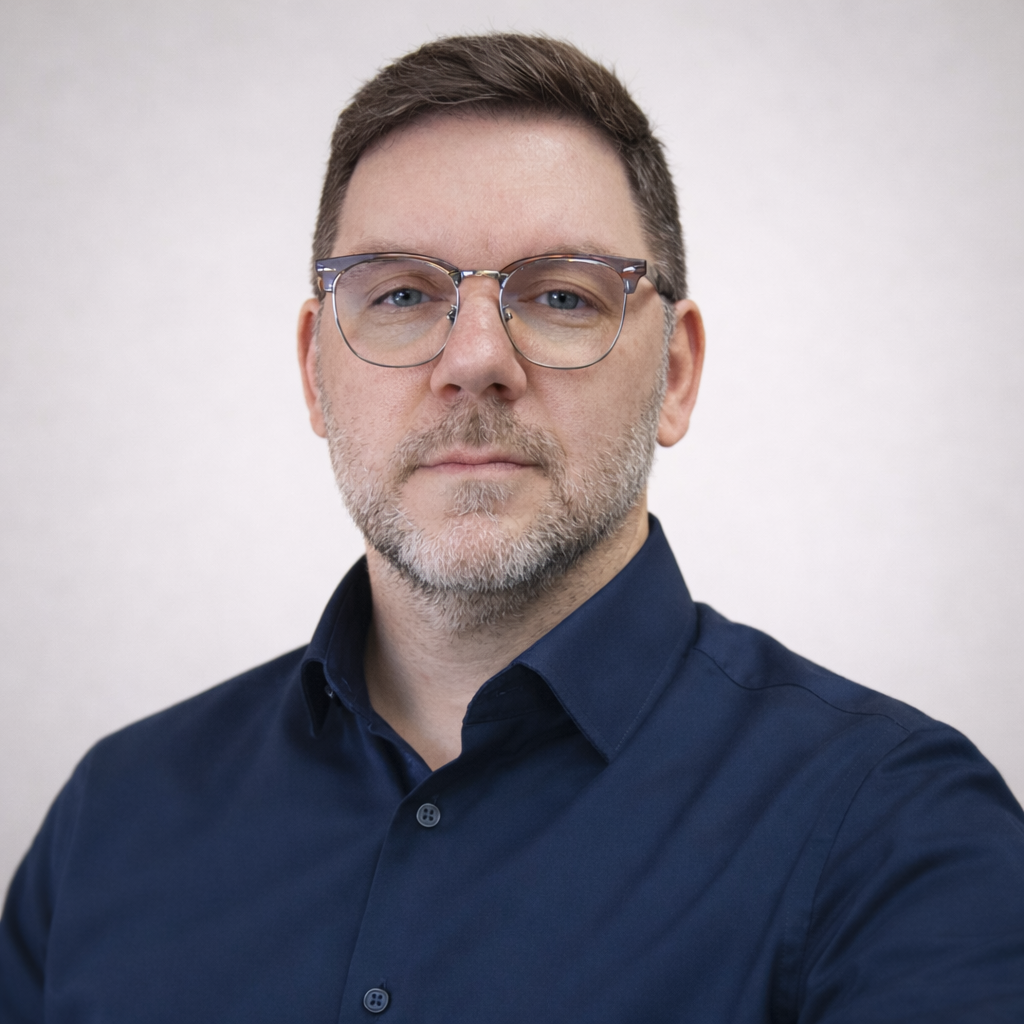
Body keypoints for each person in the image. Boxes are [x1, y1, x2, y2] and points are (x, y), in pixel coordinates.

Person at [2, 32, 1023, 1024]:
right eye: (402, 293)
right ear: (315, 369)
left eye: (562, 296)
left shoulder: (896, 831)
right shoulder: (115, 816)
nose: (475, 358)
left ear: (674, 374)